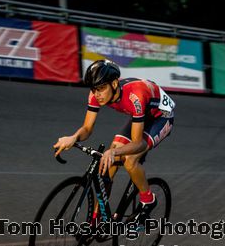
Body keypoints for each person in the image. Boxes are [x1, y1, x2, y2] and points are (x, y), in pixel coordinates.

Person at [53, 59, 175, 220]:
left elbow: (138, 143)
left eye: (101, 89)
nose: (97, 94)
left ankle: (148, 201)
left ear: (115, 84)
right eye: (94, 89)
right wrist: (73, 137)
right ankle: (97, 219)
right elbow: (87, 129)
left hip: (161, 117)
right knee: (106, 164)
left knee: (130, 159)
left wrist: (114, 152)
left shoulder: (135, 96)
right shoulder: (96, 94)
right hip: (140, 114)